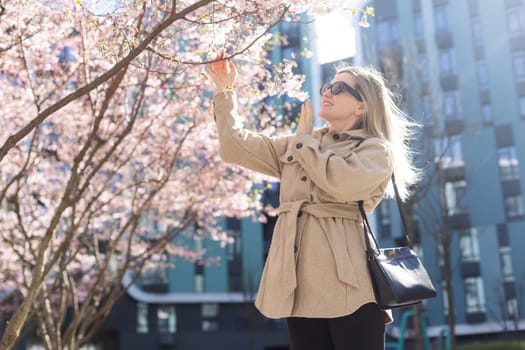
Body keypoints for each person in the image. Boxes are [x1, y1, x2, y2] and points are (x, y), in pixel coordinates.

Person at [208, 52, 419, 350]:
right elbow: (234, 147)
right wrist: (224, 90)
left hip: (352, 288)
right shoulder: (303, 141)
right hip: (298, 286)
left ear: (362, 105)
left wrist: (304, 142)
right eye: (327, 87)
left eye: (339, 88)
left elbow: (342, 183)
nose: (327, 93)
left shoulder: (375, 150)